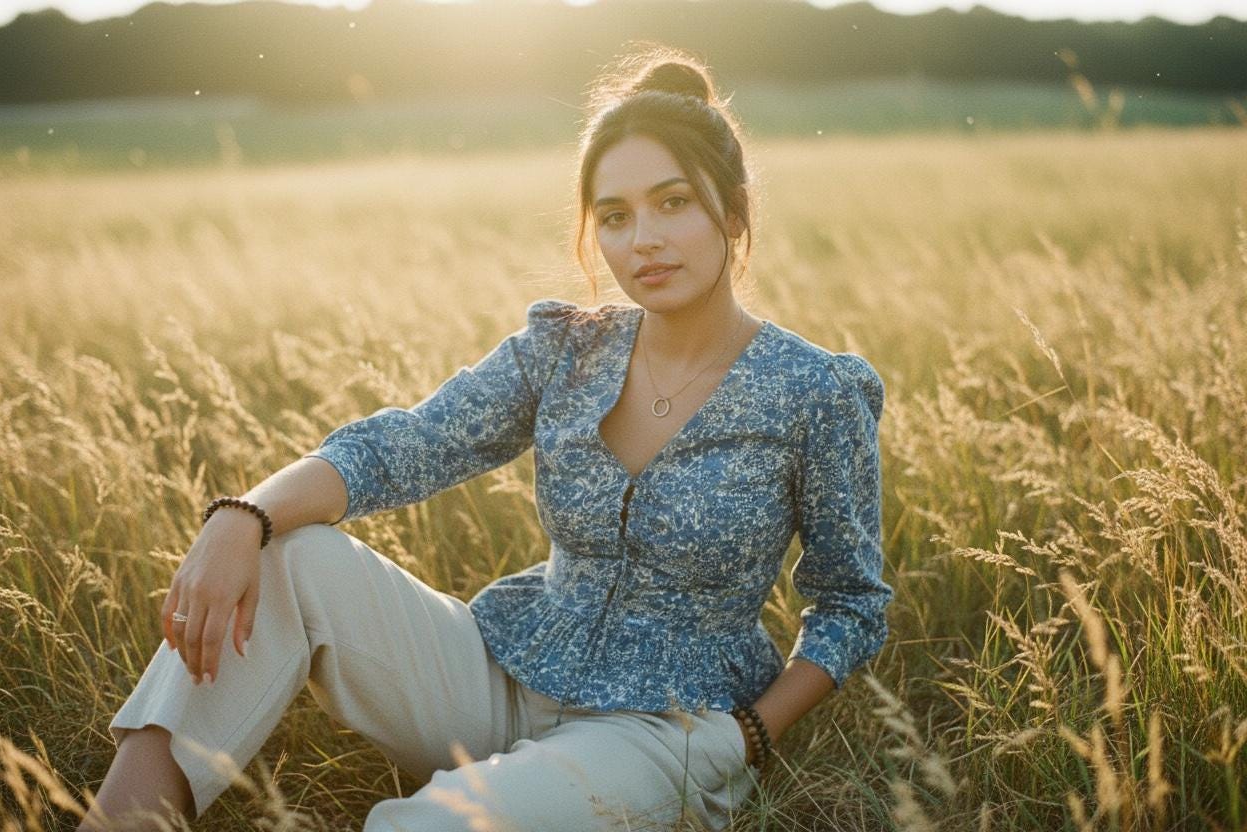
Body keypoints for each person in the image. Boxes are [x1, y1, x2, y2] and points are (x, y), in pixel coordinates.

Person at [78, 45, 893, 832]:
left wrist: (749, 735)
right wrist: (241, 517)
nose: (642, 238)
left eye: (673, 202)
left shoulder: (815, 391)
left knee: (430, 826)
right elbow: (404, 447)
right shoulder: (565, 349)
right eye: (615, 216)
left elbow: (850, 603)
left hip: (660, 733)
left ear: (735, 210)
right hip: (501, 677)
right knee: (285, 553)